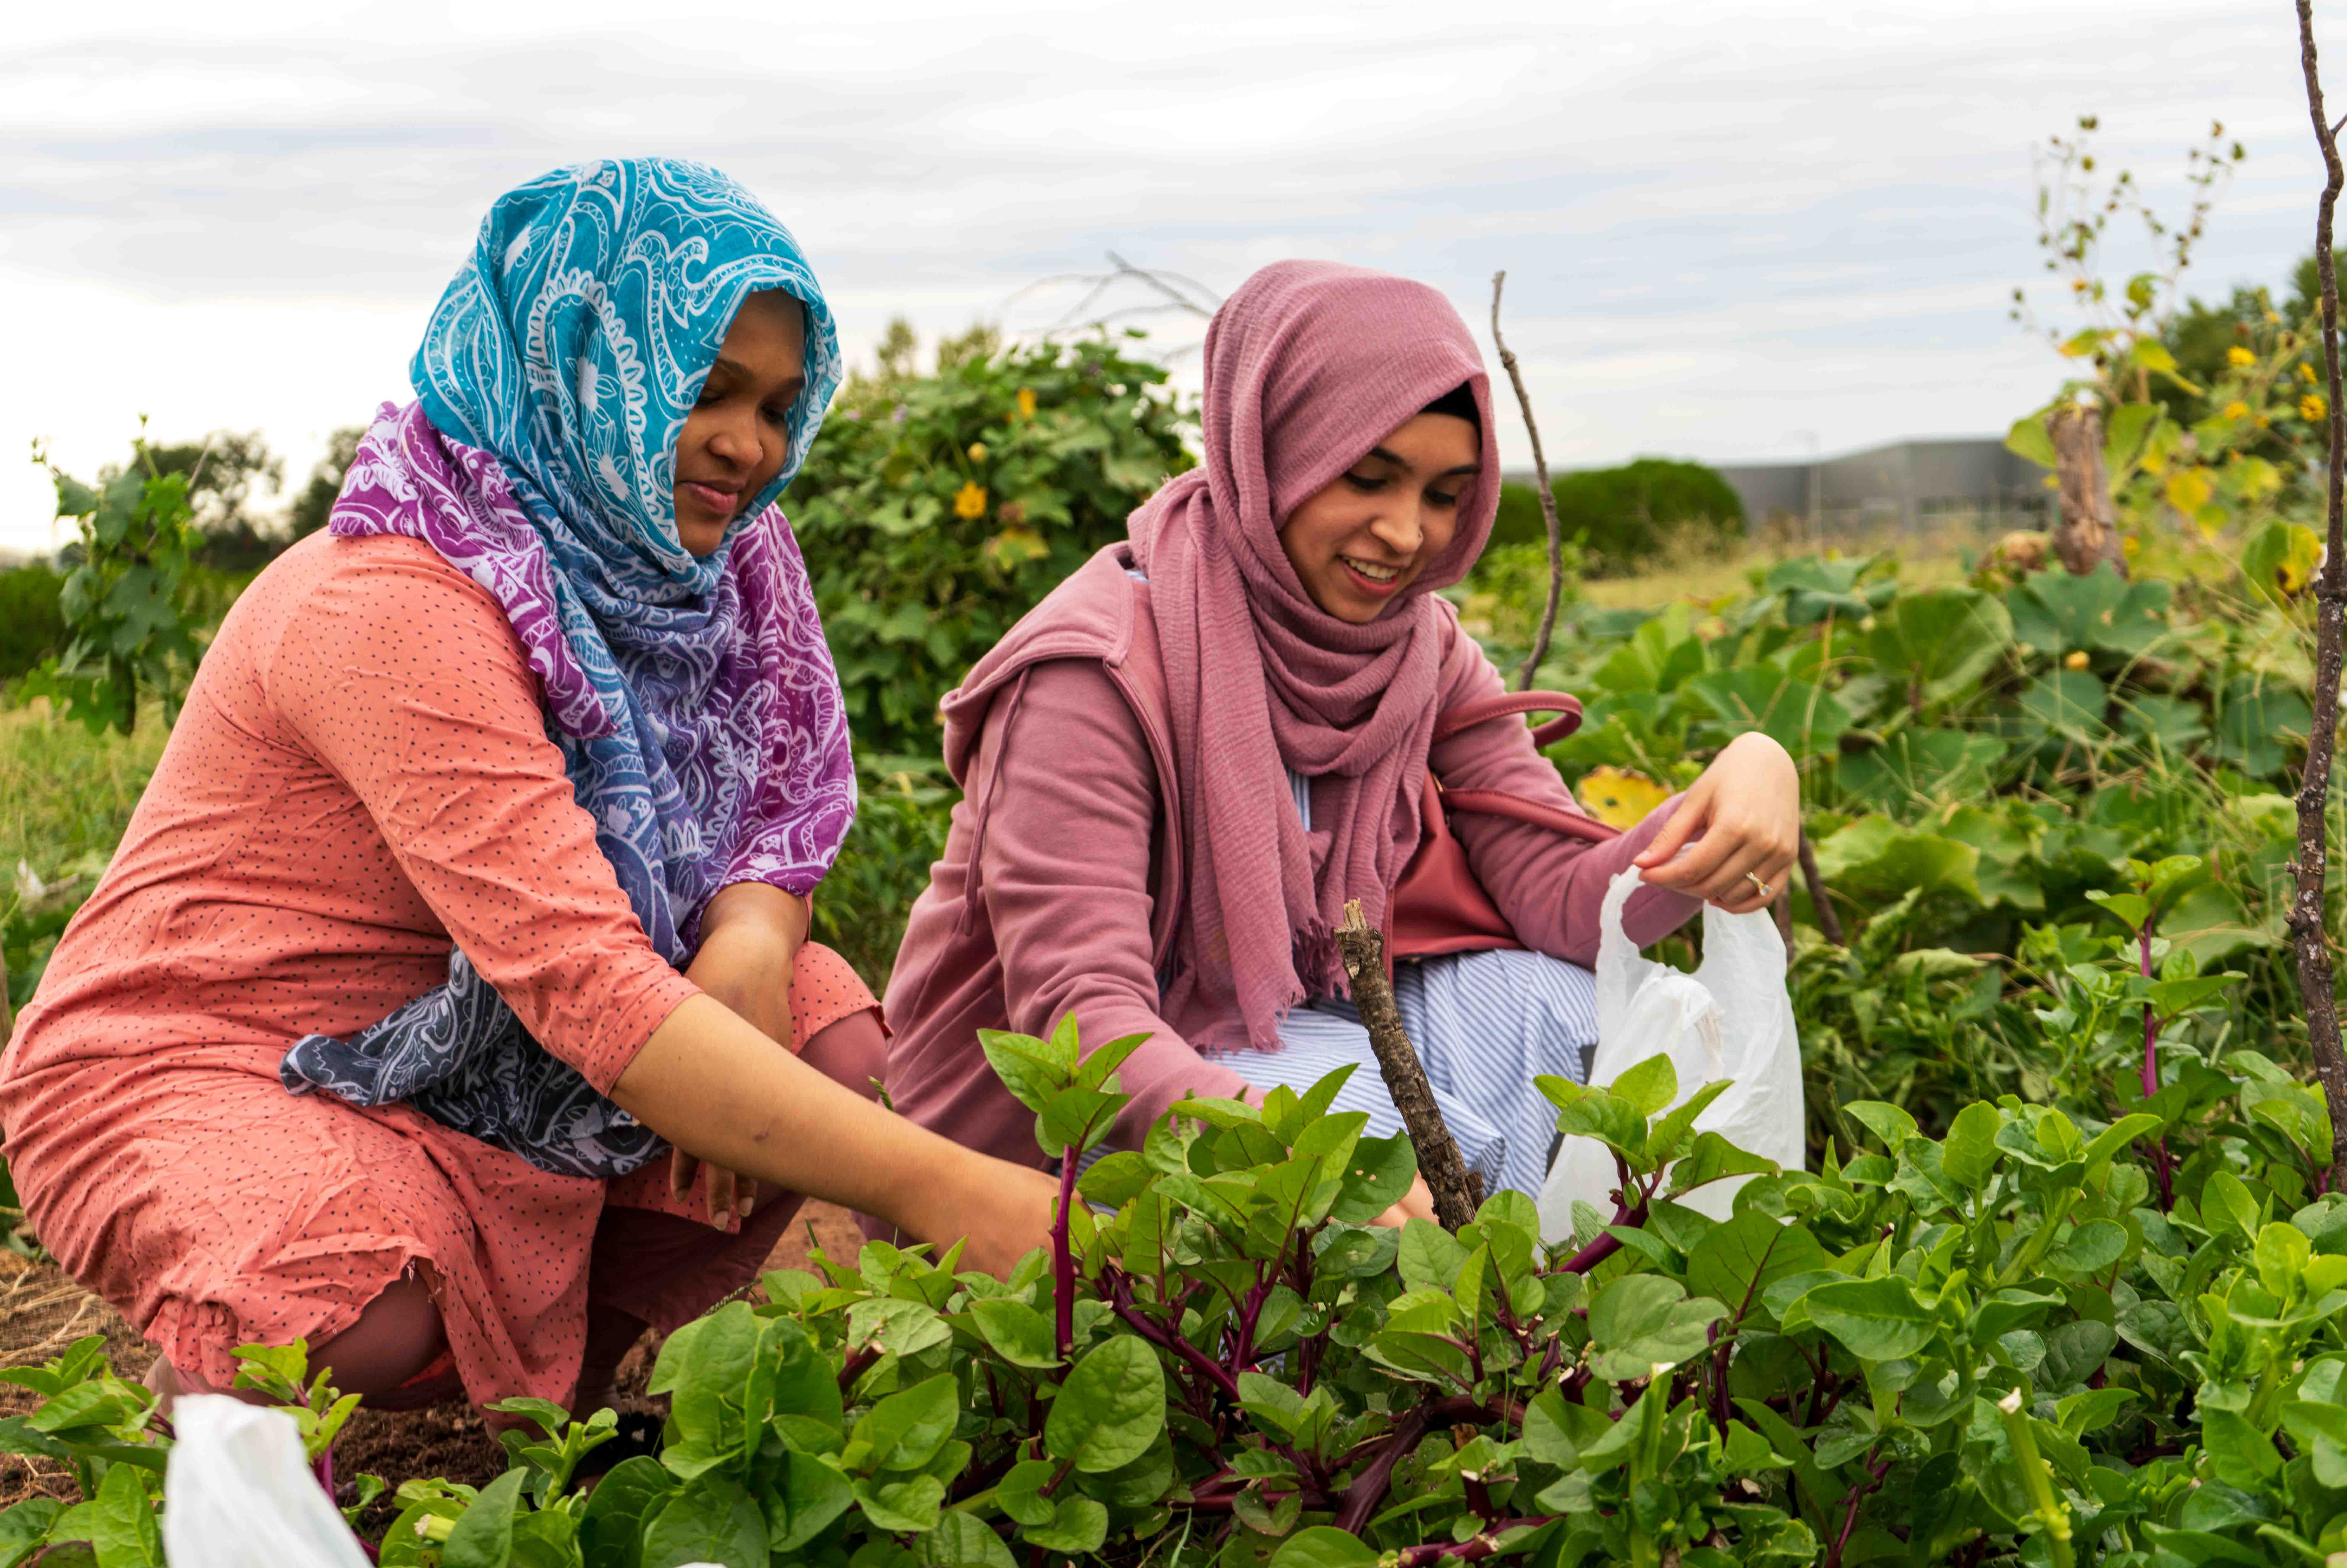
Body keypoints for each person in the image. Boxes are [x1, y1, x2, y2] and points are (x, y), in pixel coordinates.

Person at [0, 159, 1055, 1418]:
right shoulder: (393, 601)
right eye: (706, 390)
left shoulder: (726, 562)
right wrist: (946, 1186)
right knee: (347, 1305)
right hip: (215, 1060)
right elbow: (589, 988)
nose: (749, 445)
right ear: (579, 365)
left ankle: (559, 1412)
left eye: (778, 407)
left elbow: (780, 803)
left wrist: (754, 935)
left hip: (484, 1040)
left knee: (823, 1039)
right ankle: (224, 1404)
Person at [881, 260, 1801, 1213]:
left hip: (1295, 1026)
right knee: (1364, 1130)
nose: (1407, 534)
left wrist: (1741, 785)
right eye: (1368, 477)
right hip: (1035, 1150)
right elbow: (1083, 1026)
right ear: (1273, 447)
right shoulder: (1094, 670)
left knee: (1572, 1017)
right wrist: (1297, 1153)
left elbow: (1564, 904)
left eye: (1444, 495)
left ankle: (1505, 1290)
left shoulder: (1413, 649)